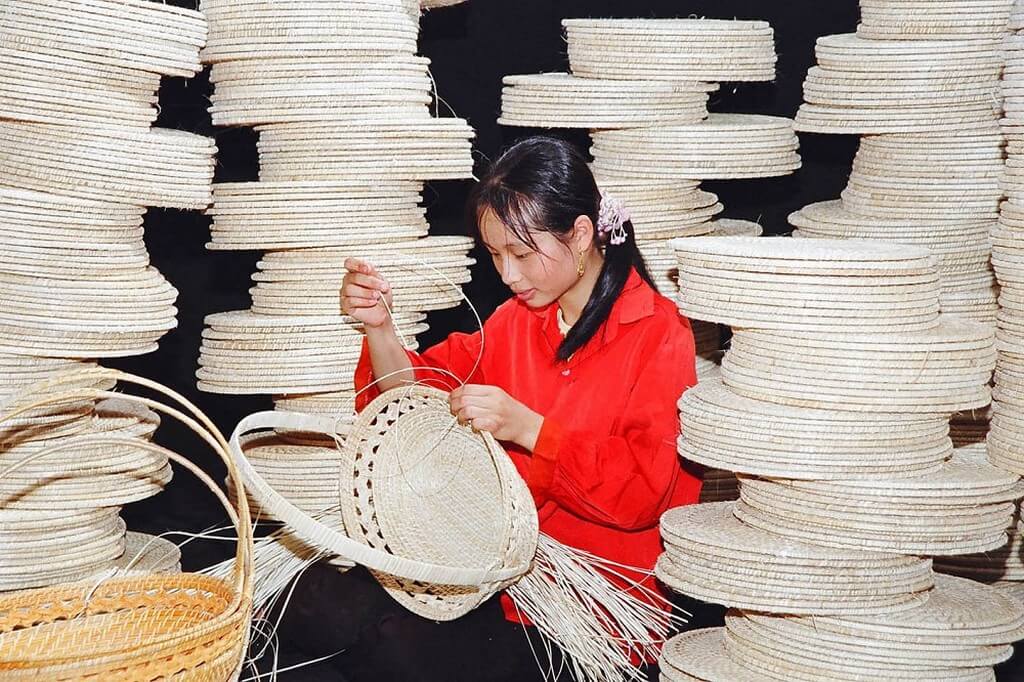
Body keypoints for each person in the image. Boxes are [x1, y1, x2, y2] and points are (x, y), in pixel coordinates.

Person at [332, 136, 702, 677]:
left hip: (603, 618)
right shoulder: (517, 322)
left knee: (399, 652)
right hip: (508, 590)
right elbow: (410, 397)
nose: (507, 274)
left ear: (579, 235)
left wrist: (530, 429)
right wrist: (379, 327)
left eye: (523, 254)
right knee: (343, 615)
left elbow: (644, 491)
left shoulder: (659, 333)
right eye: (496, 255)